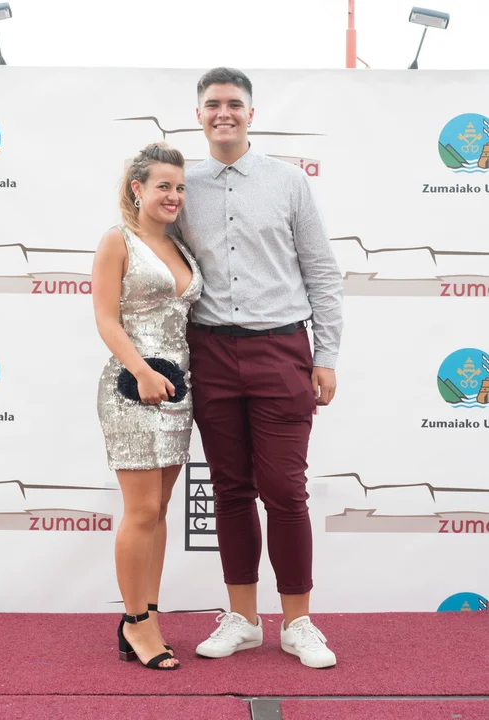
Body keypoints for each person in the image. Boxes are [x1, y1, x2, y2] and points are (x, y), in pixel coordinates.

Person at [174, 68, 343, 669]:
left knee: (286, 491)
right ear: (198, 115)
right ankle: (242, 620)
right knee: (229, 490)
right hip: (210, 352)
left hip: (281, 349)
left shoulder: (288, 181)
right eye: (212, 104)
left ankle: (298, 623)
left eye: (234, 104)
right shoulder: (181, 186)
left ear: (251, 113)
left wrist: (326, 356)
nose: (223, 113)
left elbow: (321, 271)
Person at [92, 142, 202, 671]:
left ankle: (146, 615)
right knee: (140, 511)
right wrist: (141, 371)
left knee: (159, 511)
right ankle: (135, 622)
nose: (173, 195)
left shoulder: (181, 245)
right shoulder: (118, 240)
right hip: (131, 389)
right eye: (163, 186)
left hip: (178, 392)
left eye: (180, 187)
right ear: (137, 188)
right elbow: (106, 319)